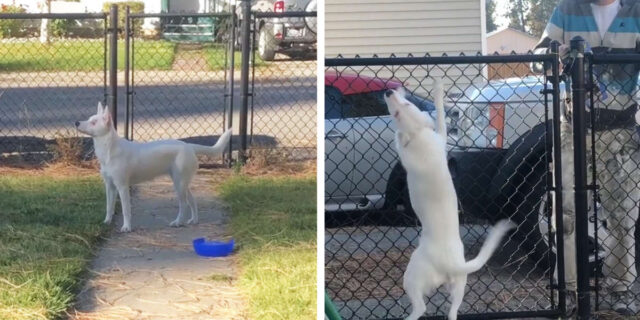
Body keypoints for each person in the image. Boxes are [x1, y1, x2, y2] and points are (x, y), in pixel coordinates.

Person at [534, 0, 640, 315]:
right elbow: (537, 58)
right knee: (565, 213)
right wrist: (555, 54)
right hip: (572, 129)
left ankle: (620, 291)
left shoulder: (635, 11)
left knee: (623, 215)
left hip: (620, 131)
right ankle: (567, 291)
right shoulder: (568, 10)